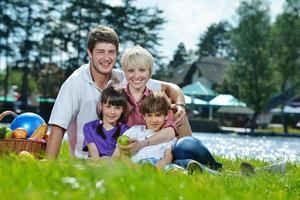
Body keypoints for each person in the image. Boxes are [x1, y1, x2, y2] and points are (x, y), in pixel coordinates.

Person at [46, 26, 191, 159]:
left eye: (111, 52)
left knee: (177, 114)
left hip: (121, 153)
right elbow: (58, 128)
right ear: (89, 53)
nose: (106, 58)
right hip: (88, 159)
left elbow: (171, 88)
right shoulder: (75, 83)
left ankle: (188, 156)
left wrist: (181, 106)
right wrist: (49, 164)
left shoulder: (124, 77)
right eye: (100, 52)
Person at [118, 45, 223, 171]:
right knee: (179, 163)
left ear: (150, 72)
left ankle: (217, 168)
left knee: (185, 146)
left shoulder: (158, 98)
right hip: (142, 156)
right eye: (131, 70)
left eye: (142, 70)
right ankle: (198, 169)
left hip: (165, 150)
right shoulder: (118, 98)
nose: (137, 75)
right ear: (124, 71)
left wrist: (142, 143)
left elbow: (170, 132)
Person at [113, 92, 176, 170]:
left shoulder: (165, 136)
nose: (154, 120)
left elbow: (167, 157)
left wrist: (157, 169)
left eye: (158, 115)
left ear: (166, 116)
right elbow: (122, 154)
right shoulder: (134, 130)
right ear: (143, 117)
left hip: (156, 163)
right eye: (149, 115)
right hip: (136, 164)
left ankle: (182, 169)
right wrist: (133, 167)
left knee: (170, 167)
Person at [82, 86, 129, 160]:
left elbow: (116, 157)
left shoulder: (126, 130)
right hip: (95, 167)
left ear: (123, 110)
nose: (112, 112)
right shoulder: (89, 127)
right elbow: (94, 155)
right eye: (108, 106)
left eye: (117, 108)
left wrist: (108, 162)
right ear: (101, 106)